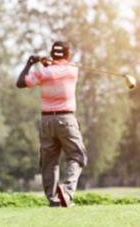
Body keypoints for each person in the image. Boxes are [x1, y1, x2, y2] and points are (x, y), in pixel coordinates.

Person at [16, 41, 87, 207]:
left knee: (49, 162)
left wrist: (30, 63)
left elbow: (20, 83)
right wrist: (46, 61)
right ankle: (67, 191)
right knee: (77, 156)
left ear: (52, 54)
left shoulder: (43, 73)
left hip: (46, 121)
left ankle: (54, 199)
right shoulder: (72, 69)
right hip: (66, 119)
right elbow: (59, 67)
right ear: (68, 54)